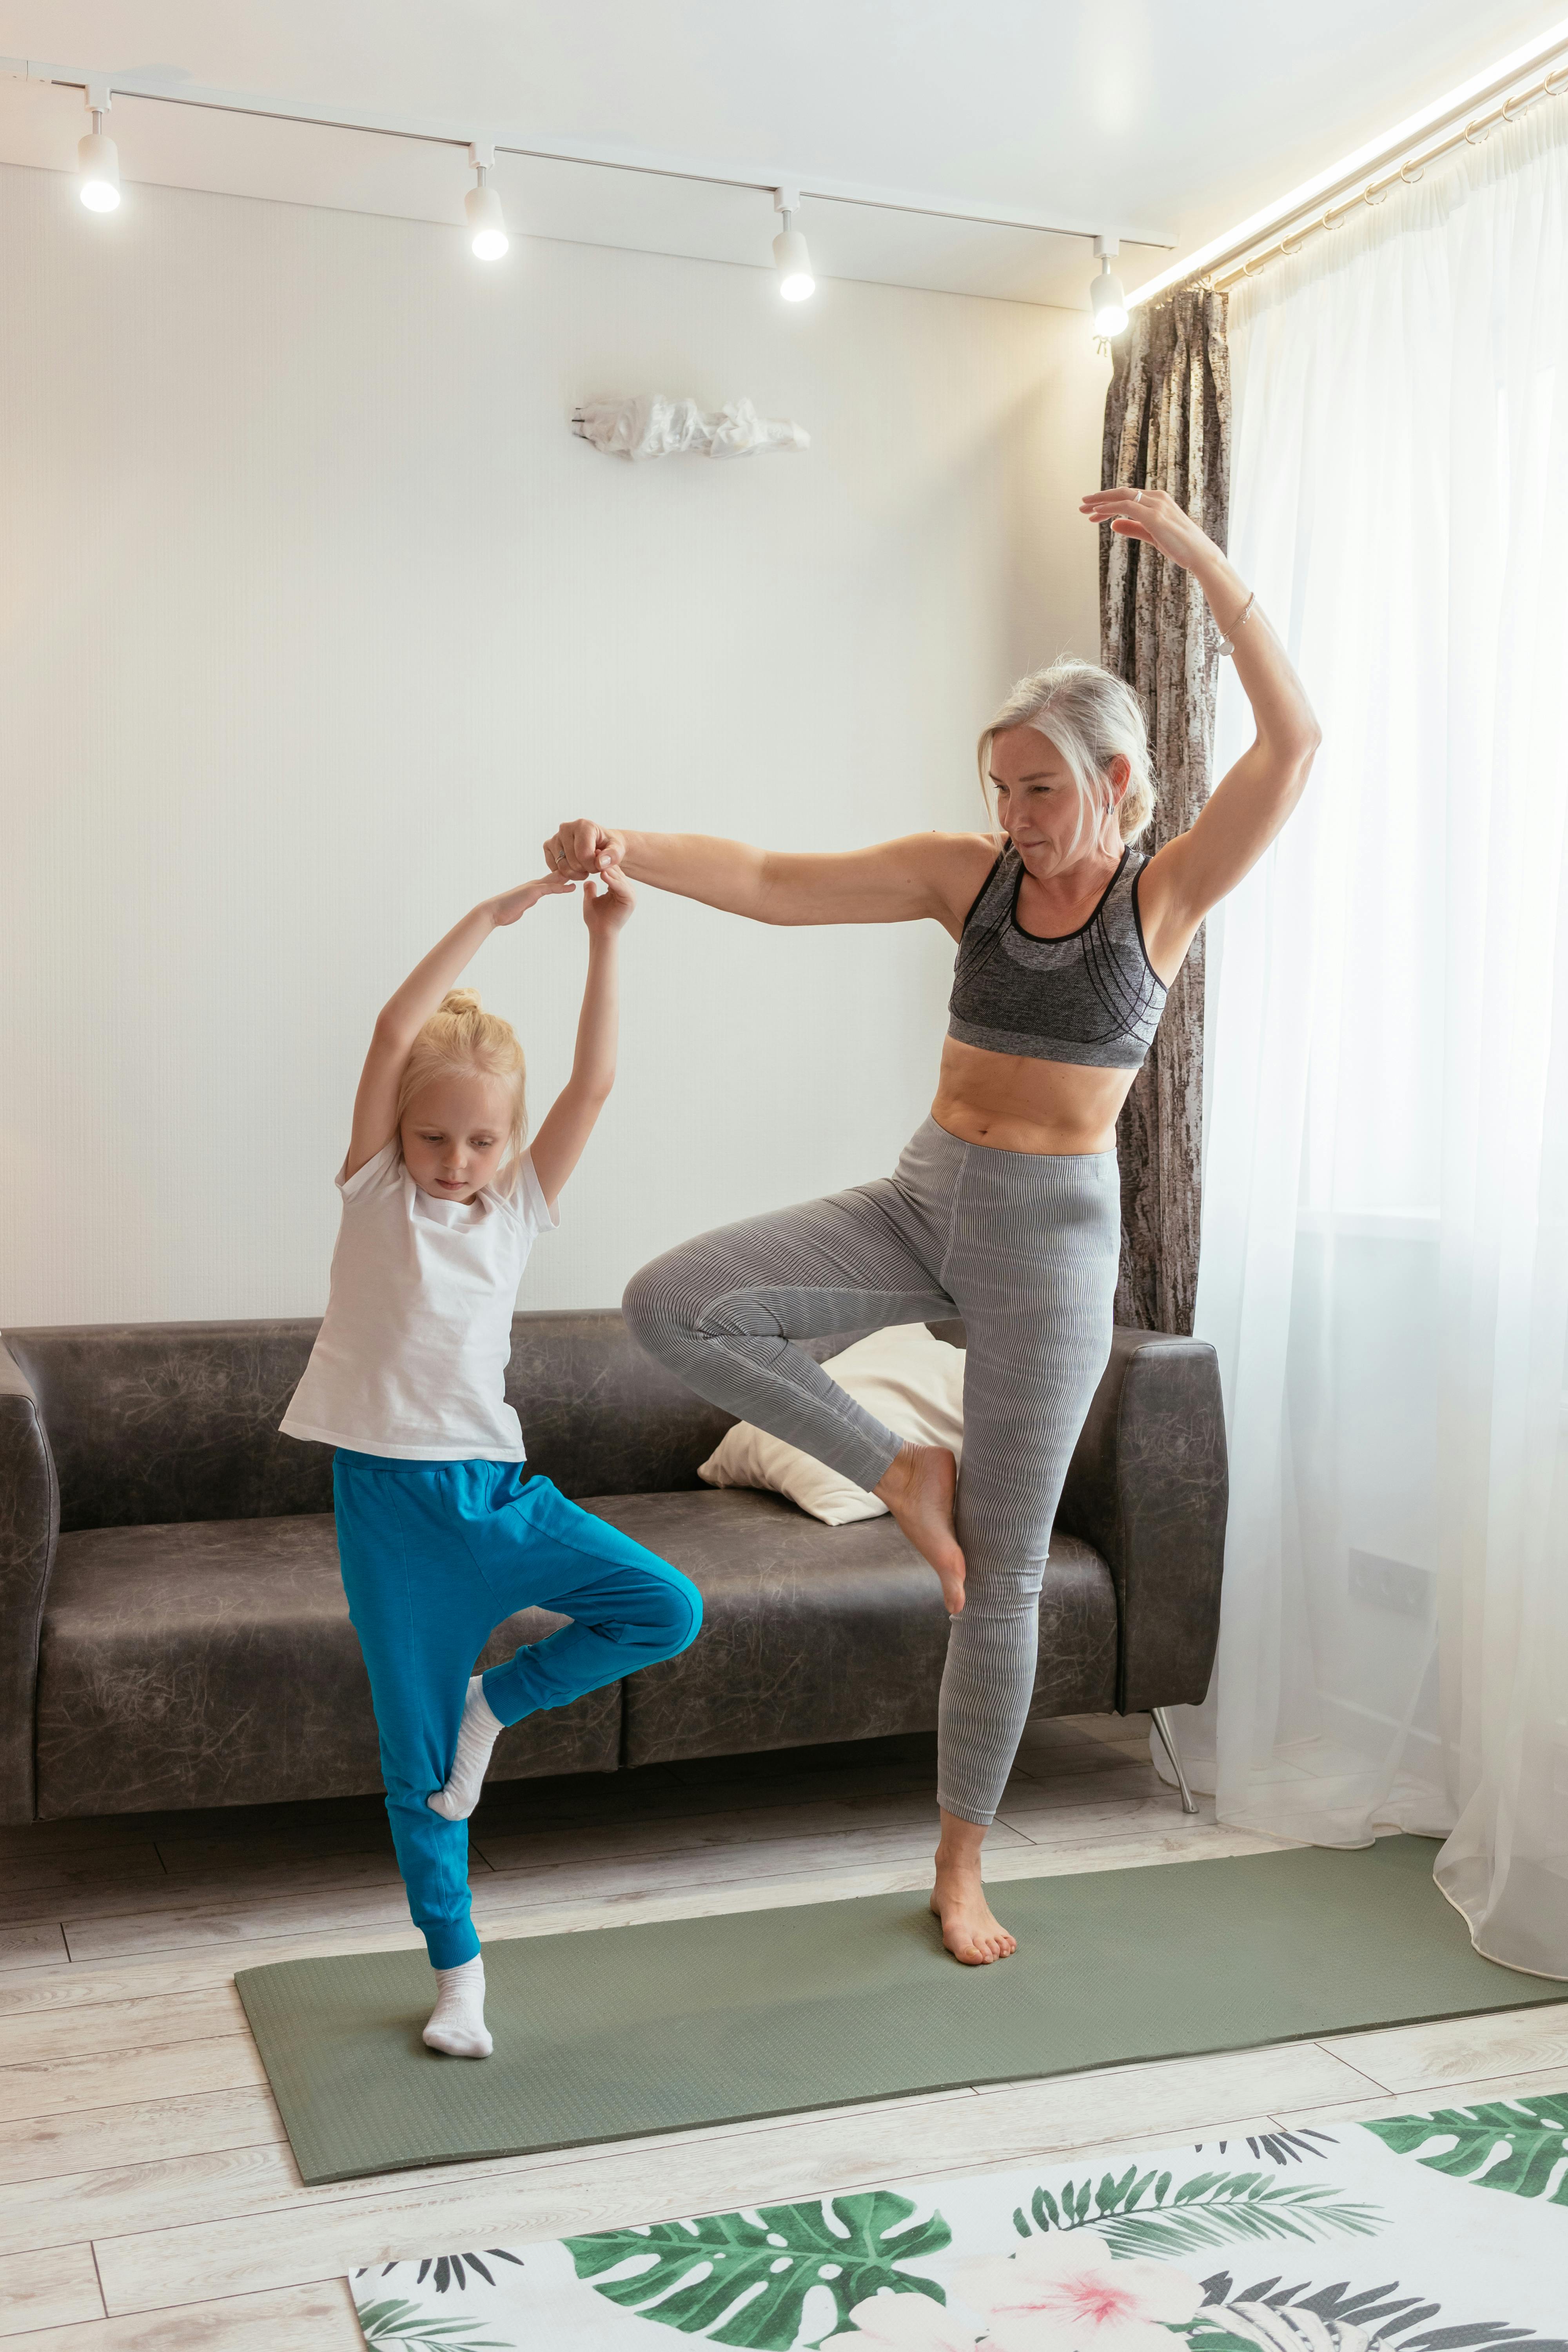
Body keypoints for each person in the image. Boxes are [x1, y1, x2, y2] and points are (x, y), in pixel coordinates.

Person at [542, 485, 1320, 1967]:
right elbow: (772, 883)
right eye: (1001, 788)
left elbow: (1296, 749)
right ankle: (904, 1465)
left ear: (1115, 781)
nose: (1013, 819)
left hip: (1051, 1251)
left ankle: (962, 1866)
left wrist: (1207, 565)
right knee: (674, 1304)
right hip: (921, 1196)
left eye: (1040, 790)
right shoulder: (962, 884)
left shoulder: (1160, 900)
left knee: (1003, 1575)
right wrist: (626, 843)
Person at [279, 868, 702, 2057]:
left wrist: (607, 936)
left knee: (666, 1607)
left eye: (481, 1140)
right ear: (396, 1135)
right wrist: (490, 917)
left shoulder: (515, 1211)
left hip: (496, 1499)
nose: (455, 1159)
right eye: (434, 1137)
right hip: (388, 1518)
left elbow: (597, 1081)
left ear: (509, 1144)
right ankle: (458, 1978)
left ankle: (492, 1705)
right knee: (417, 1776)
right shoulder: (373, 1194)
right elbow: (391, 1030)